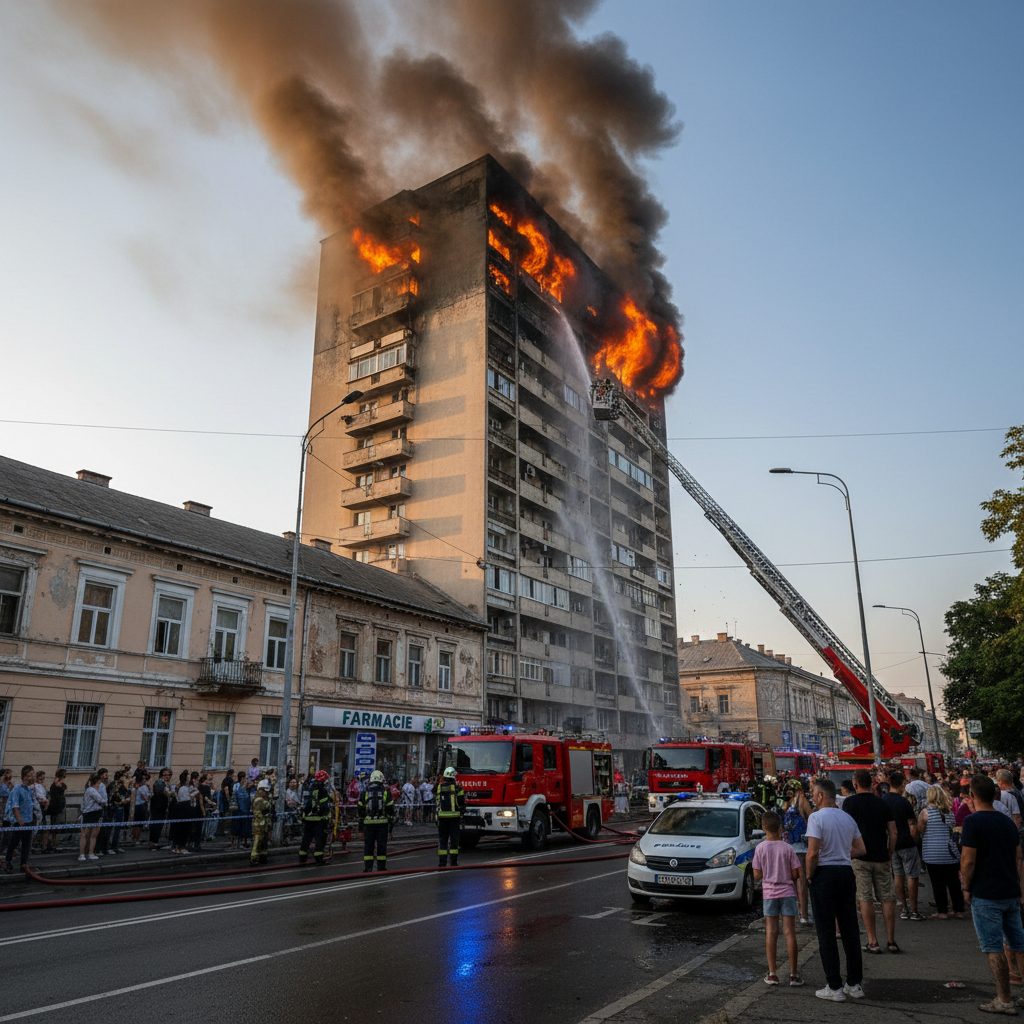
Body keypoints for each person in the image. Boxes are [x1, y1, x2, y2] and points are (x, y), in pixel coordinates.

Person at [961, 775, 1024, 1015]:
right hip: (1009, 890)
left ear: (974, 796)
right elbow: (1018, 854)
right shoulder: (1007, 822)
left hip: (986, 892)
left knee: (994, 947)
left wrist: (966, 887)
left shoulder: (973, 822)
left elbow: (968, 860)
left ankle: (1004, 1000)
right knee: (1019, 944)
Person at [805, 778, 867, 1002]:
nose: (812, 796)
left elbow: (812, 853)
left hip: (825, 874)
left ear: (821, 795)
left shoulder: (816, 817)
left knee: (826, 931)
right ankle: (854, 984)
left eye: (813, 793)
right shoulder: (847, 817)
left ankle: (834, 986)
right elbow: (861, 849)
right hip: (845, 873)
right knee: (850, 929)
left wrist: (810, 875)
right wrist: (841, 851)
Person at [842, 767, 898, 954]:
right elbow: (893, 831)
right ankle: (891, 941)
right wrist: (890, 853)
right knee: (887, 898)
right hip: (881, 856)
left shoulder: (849, 803)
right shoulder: (882, 803)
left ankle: (873, 941)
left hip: (860, 858)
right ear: (872, 783)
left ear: (855, 784)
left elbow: (846, 831)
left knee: (865, 898)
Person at [751, 810, 804, 987]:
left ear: (763, 828)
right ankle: (794, 974)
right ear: (781, 828)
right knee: (789, 932)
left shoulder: (760, 848)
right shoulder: (788, 848)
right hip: (788, 893)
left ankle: (772, 973)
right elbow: (797, 872)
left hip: (769, 895)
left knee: (771, 932)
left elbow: (757, 875)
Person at [919, 784, 965, 920]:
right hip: (949, 852)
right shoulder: (950, 813)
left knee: (937, 883)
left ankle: (942, 910)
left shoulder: (925, 812)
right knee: (953, 882)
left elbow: (920, 829)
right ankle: (958, 909)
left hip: (932, 853)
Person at [884, 770, 924, 921]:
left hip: (892, 844)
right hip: (906, 842)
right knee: (912, 876)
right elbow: (911, 825)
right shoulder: (904, 802)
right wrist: (914, 841)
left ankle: (904, 908)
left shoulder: (883, 800)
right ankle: (914, 910)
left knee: (898, 875)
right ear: (901, 784)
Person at [781, 779, 813, 925]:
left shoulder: (803, 802)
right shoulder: (790, 802)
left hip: (801, 847)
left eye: (791, 789)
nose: (789, 792)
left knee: (801, 881)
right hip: (790, 846)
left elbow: (811, 818)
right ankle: (797, 911)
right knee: (793, 881)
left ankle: (804, 915)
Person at [357, 769, 395, 872]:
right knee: (381, 846)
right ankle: (381, 867)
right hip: (382, 823)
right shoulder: (386, 791)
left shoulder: (365, 790)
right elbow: (390, 809)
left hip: (368, 823)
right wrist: (390, 829)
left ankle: (368, 867)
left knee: (368, 845)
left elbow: (360, 809)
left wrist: (360, 829)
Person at [3, 766, 36, 873]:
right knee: (14, 842)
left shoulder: (29, 789)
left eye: (33, 774)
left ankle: (23, 863)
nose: (33, 777)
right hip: (20, 822)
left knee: (26, 844)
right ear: (24, 777)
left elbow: (31, 804)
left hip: (29, 820)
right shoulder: (18, 789)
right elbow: (15, 807)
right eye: (31, 775)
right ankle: (8, 861)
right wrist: (20, 821)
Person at [300, 769, 333, 866]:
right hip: (320, 819)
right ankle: (318, 859)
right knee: (320, 839)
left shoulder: (309, 787)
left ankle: (302, 858)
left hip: (308, 818)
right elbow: (324, 805)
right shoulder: (322, 790)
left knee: (306, 838)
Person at [436, 766, 466, 868]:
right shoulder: (458, 788)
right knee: (454, 841)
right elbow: (461, 803)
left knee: (442, 840)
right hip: (454, 818)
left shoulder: (439, 787)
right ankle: (453, 862)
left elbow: (437, 801)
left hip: (442, 818)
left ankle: (442, 863)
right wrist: (462, 812)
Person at [78, 772, 106, 861]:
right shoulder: (92, 790)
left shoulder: (89, 790)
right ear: (97, 782)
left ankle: (88, 853)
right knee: (87, 835)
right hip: (92, 813)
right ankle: (85, 853)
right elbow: (102, 800)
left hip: (90, 813)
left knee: (90, 835)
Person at [43, 768, 67, 853]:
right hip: (53, 808)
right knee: (50, 827)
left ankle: (53, 844)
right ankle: (47, 845)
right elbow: (57, 789)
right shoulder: (54, 785)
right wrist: (58, 782)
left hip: (59, 807)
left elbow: (63, 788)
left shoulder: (62, 785)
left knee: (56, 828)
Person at [148, 767, 172, 849]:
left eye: (169, 775)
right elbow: (167, 793)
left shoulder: (166, 783)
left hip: (162, 805)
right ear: (161, 775)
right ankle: (153, 842)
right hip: (157, 805)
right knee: (156, 824)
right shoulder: (160, 782)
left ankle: (155, 841)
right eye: (165, 775)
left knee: (159, 823)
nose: (167, 777)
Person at [251, 779, 272, 865]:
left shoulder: (263, 799)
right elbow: (258, 813)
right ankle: (254, 858)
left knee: (264, 842)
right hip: (259, 824)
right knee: (257, 841)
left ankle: (263, 857)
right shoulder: (258, 800)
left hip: (264, 824)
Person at [30, 769, 49, 853]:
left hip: (41, 808)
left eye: (43, 778)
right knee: (34, 828)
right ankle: (31, 846)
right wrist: (45, 801)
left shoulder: (41, 786)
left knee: (38, 828)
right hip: (36, 809)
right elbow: (38, 797)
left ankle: (36, 845)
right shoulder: (35, 786)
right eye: (41, 778)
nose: (42, 780)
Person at [132, 772, 151, 845]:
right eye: (143, 779)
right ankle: (137, 839)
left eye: (145, 778)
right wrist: (150, 794)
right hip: (141, 805)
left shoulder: (136, 787)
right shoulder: (143, 787)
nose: (144, 780)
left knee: (136, 824)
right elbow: (146, 797)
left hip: (136, 805)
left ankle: (135, 838)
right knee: (139, 824)